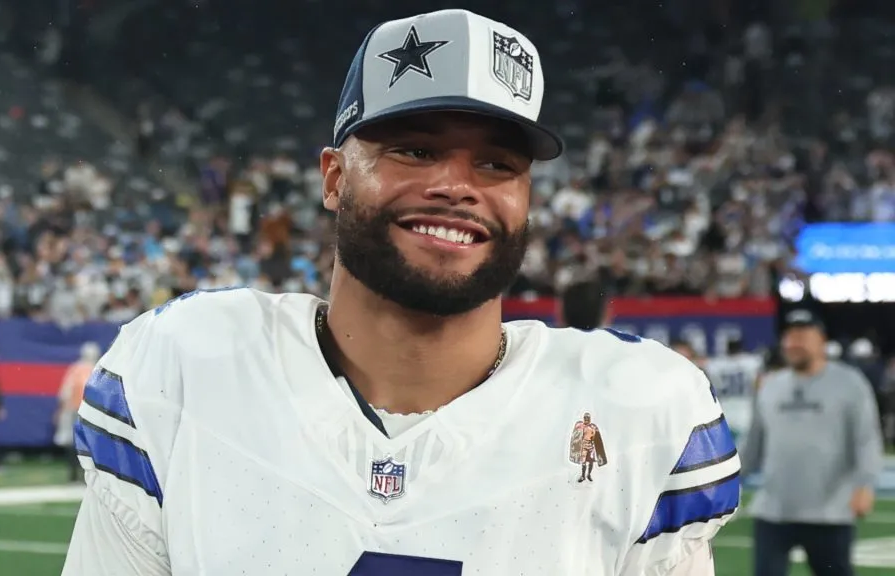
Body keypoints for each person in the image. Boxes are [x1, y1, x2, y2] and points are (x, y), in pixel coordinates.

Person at [63, 9, 739, 575]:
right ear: (333, 179)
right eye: (414, 150)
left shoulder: (641, 410)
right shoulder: (185, 367)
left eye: (497, 163)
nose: (457, 184)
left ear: (527, 199)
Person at [740, 309, 884, 576]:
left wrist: (865, 484)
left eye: (802, 336)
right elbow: (752, 447)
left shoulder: (850, 383)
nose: (794, 343)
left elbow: (866, 439)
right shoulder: (770, 386)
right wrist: (725, 483)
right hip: (773, 511)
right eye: (789, 336)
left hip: (829, 512)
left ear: (822, 341)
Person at [54, 342, 99, 483]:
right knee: (88, 446)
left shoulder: (76, 369)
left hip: (76, 410)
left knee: (74, 444)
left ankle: (74, 475)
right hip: (88, 413)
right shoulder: (96, 369)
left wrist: (61, 410)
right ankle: (85, 476)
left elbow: (64, 392)